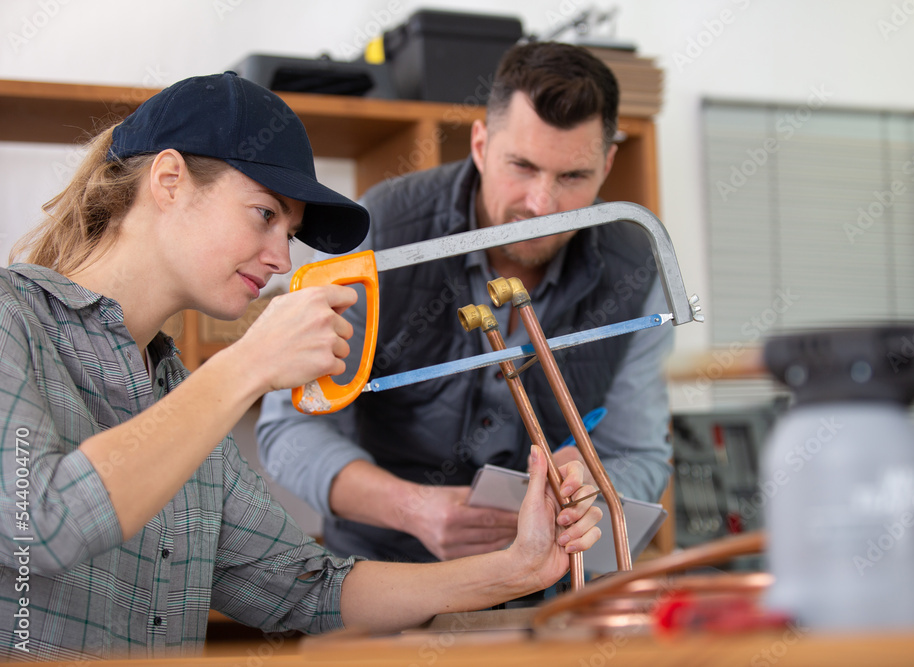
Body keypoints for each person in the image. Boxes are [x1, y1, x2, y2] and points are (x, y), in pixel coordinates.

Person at [0, 71, 601, 661]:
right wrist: (248, 364)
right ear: (169, 179)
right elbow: (43, 524)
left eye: (290, 232)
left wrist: (516, 568)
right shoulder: (11, 320)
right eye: (265, 214)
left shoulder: (177, 394)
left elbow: (308, 588)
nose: (282, 256)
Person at [256, 41, 673, 565]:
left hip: (547, 584)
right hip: (385, 576)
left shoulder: (637, 264)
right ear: (480, 144)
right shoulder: (383, 231)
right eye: (521, 166)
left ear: (608, 163)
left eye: (572, 177)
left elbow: (640, 454)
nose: (542, 205)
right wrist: (411, 507)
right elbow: (290, 429)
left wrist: (592, 481)